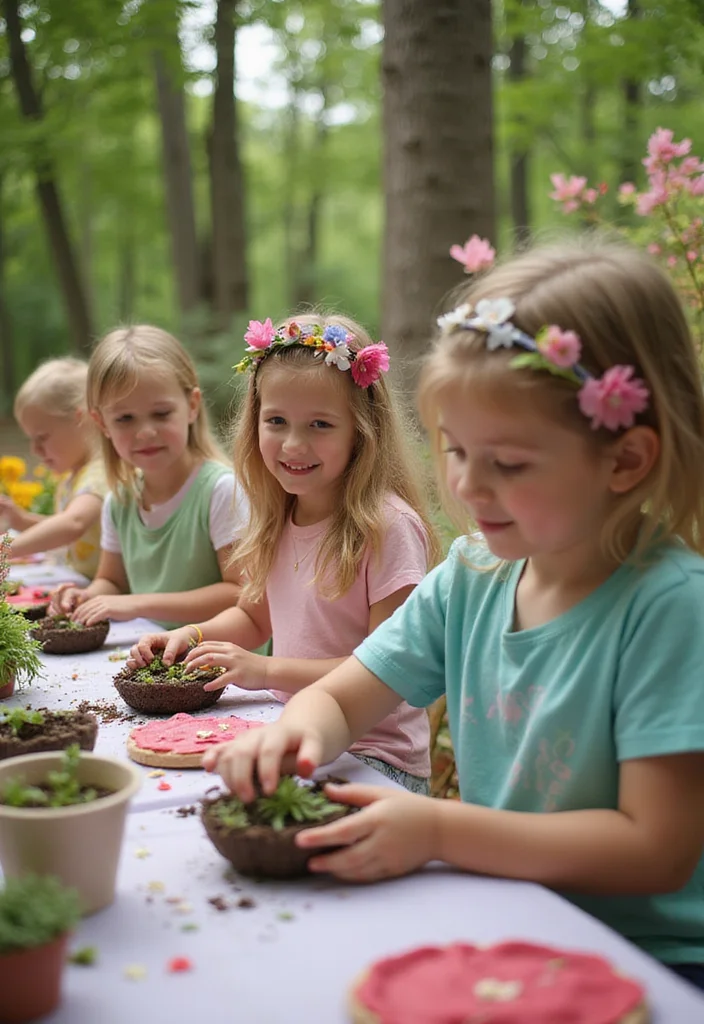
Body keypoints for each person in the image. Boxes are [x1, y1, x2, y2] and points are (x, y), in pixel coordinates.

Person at [203, 241, 704, 986]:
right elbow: (344, 695)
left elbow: (653, 848)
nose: (468, 487)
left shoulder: (670, 608)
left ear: (626, 460)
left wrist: (438, 828)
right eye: (456, 450)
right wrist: (295, 739)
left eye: (508, 463)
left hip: (646, 962)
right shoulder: (470, 578)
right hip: (507, 924)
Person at [129, 313, 440, 793]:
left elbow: (388, 670)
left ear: (361, 430)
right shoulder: (277, 513)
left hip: (375, 759)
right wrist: (190, 637)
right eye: (276, 421)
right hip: (285, 724)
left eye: (320, 424)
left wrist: (266, 669)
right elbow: (254, 620)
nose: (294, 444)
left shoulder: (386, 528)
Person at [51, 325, 246, 628]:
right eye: (125, 418)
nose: (145, 432)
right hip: (155, 663)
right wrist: (87, 597)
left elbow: (239, 594)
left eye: (161, 413)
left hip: (221, 666)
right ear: (102, 423)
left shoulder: (222, 491)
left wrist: (135, 603)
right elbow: (111, 581)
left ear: (192, 406)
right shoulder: (119, 500)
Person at [3, 358, 106, 578]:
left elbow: (73, 524)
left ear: (82, 420)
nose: (34, 449)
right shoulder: (75, 475)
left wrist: (4, 550)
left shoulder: (100, 473)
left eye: (42, 437)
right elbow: (72, 533)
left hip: (104, 592)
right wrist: (22, 521)